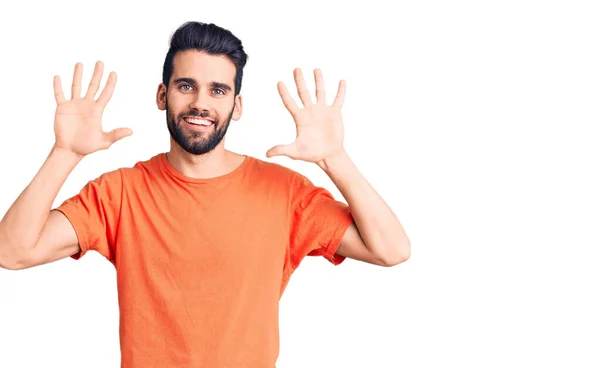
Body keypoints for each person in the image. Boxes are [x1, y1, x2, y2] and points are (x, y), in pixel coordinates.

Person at [0, 21, 410, 367]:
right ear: (162, 95)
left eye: (217, 90)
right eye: (185, 86)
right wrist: (64, 153)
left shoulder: (284, 193)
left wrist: (335, 159)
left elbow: (391, 249)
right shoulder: (120, 193)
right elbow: (12, 252)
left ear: (237, 104)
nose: (200, 103)